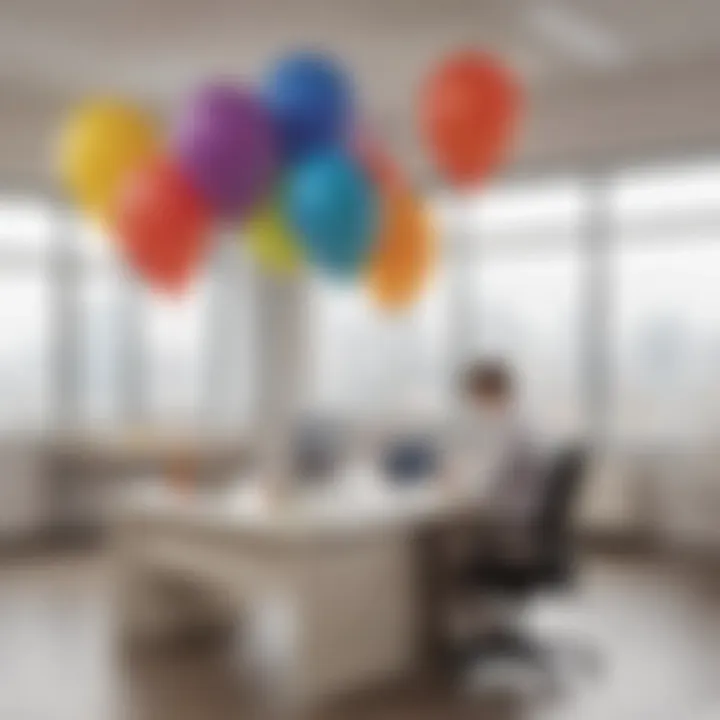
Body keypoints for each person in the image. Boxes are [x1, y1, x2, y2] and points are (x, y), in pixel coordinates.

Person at [446, 359, 547, 564]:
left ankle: (453, 586)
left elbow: (490, 478)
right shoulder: (513, 422)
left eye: (475, 393)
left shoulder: (508, 428)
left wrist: (459, 490)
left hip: (508, 518)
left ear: (488, 392)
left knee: (445, 533)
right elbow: (478, 467)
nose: (472, 402)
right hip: (517, 513)